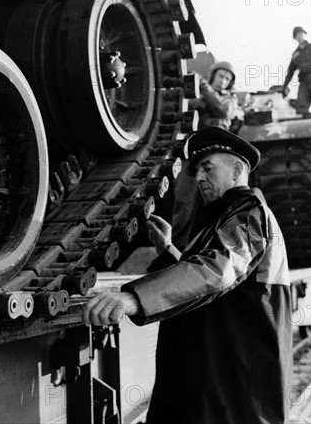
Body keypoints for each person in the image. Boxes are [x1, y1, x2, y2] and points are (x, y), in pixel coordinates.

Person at [83, 126, 292, 424]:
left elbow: (217, 270)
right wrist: (168, 249)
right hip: (218, 380)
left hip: (236, 393)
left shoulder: (249, 211)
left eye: (208, 168)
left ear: (236, 170)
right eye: (196, 172)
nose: (199, 179)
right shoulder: (224, 216)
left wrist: (136, 297)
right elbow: (221, 288)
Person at [173, 61, 239, 250]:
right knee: (183, 206)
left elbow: (223, 109)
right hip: (193, 155)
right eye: (221, 76)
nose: (224, 81)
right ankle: (175, 253)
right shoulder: (201, 94)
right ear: (213, 75)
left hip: (217, 158)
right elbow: (188, 108)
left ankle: (213, 251)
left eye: (228, 78)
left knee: (216, 205)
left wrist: (205, 88)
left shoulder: (230, 99)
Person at [189, 61, 239, 130]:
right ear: (213, 75)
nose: (223, 82)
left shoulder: (231, 98)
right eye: (220, 76)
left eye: (227, 79)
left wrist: (204, 86)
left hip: (215, 137)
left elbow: (223, 111)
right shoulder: (199, 92)